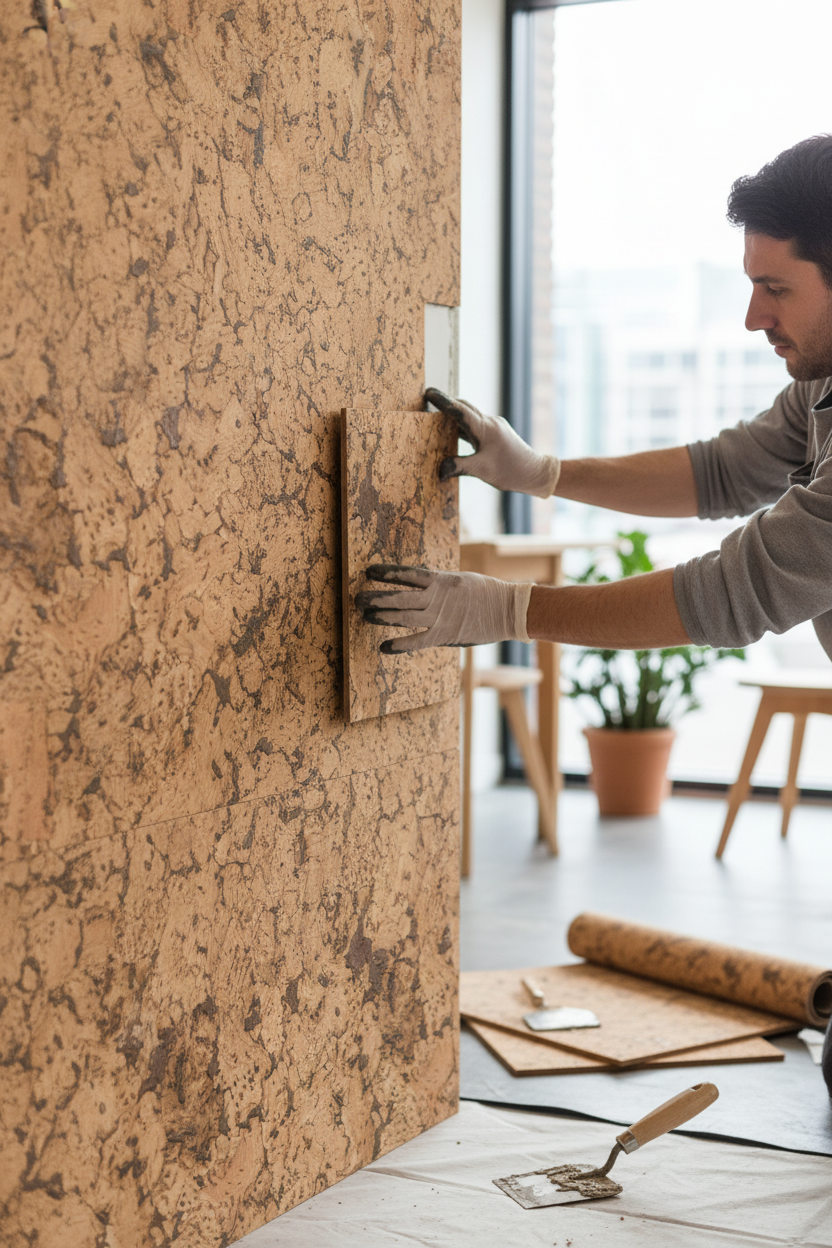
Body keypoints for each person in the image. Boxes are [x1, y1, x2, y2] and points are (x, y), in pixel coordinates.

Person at [356, 135, 832, 1094]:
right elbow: (726, 470)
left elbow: (733, 590)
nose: (752, 315)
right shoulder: (822, 382)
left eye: (776, 288)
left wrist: (507, 608)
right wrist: (545, 474)